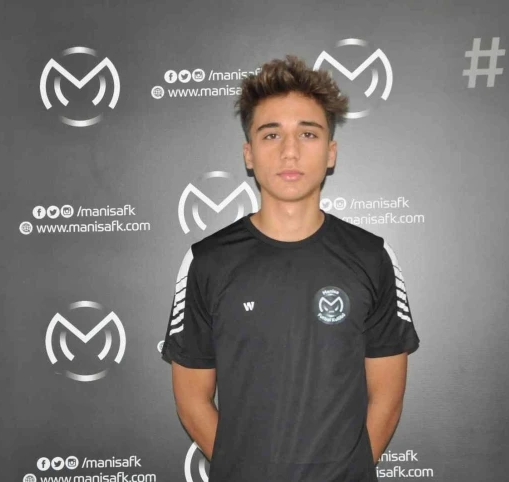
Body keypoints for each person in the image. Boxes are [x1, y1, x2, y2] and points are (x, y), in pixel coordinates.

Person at [161, 55, 420, 482]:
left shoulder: (372, 256)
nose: (290, 150)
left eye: (308, 133)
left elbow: (387, 399)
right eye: (271, 134)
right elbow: (192, 401)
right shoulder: (207, 262)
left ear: (331, 152)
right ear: (249, 154)